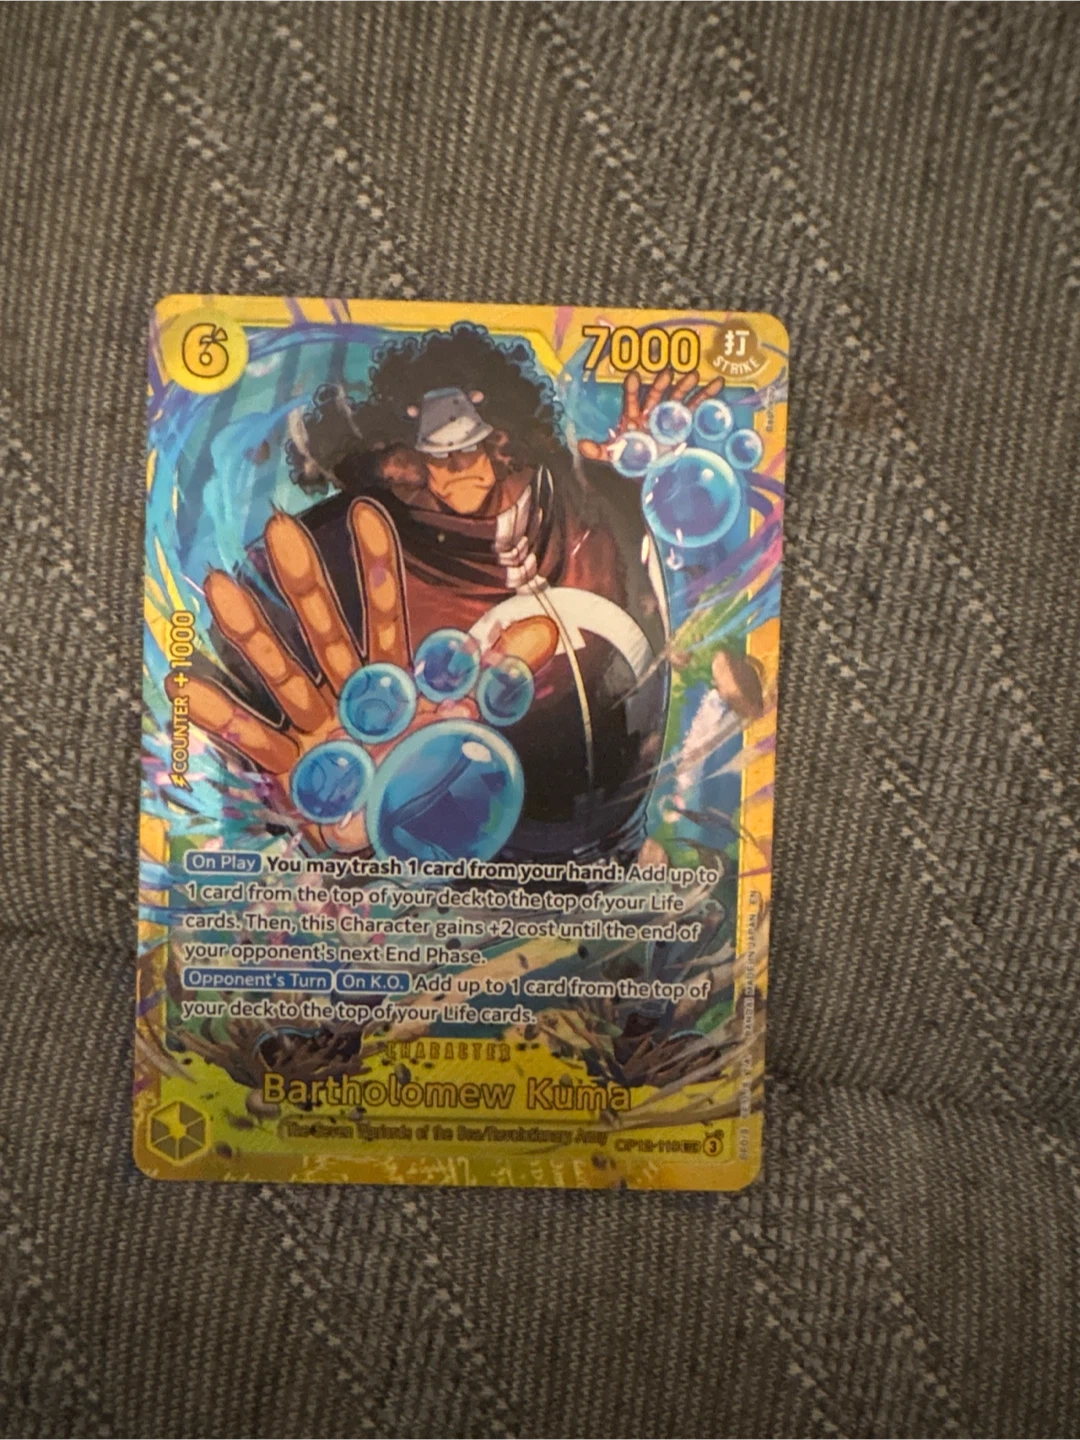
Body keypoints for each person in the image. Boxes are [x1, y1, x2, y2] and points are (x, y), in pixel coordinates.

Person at [180, 323, 722, 861]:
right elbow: (239, 670)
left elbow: (658, 523)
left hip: (623, 849)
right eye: (437, 452)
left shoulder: (591, 501)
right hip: (459, 867)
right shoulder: (353, 547)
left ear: (502, 438)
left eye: (470, 444)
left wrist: (643, 468)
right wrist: (301, 813)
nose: (458, 464)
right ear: (401, 458)